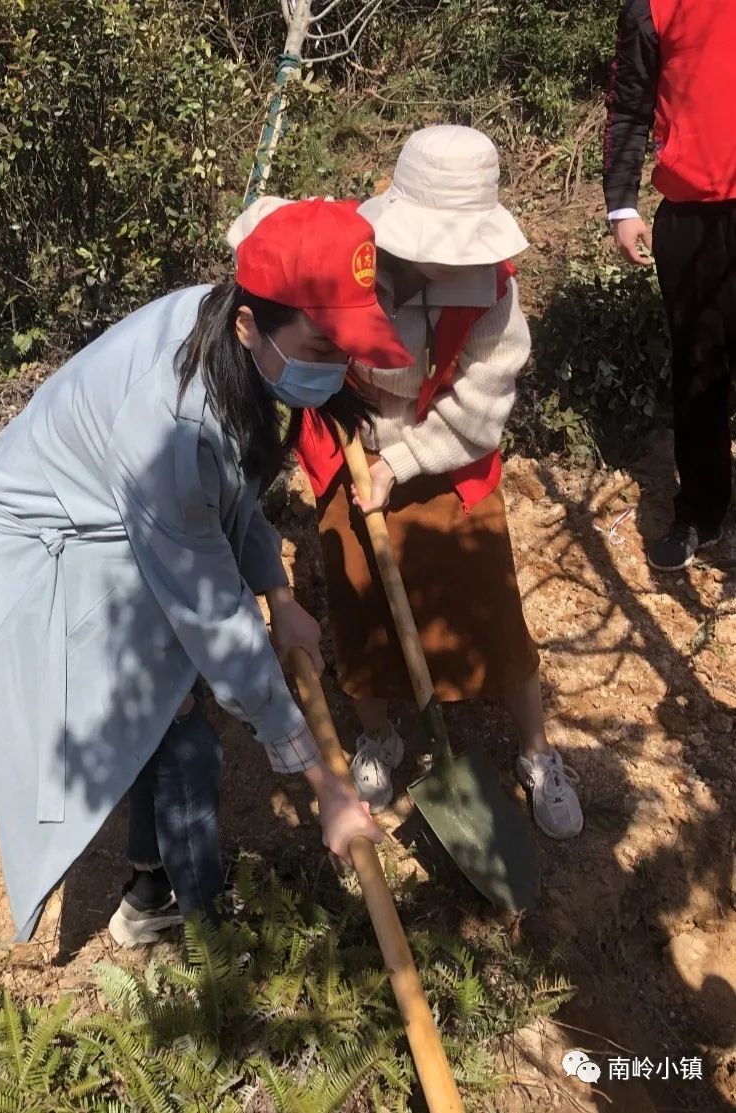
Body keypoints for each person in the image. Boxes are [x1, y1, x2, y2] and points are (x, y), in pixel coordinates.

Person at [0, 199, 399, 947]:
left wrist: (280, 593)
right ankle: (209, 936)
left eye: (347, 346)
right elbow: (211, 609)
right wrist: (325, 784)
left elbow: (230, 495)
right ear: (249, 324)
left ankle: (147, 887)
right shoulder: (168, 424)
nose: (336, 367)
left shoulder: (232, 344)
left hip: (128, 516)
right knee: (184, 726)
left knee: (171, 710)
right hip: (59, 539)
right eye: (323, 345)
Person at [233, 127, 583, 840]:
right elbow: (260, 230)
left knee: (490, 603)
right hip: (347, 444)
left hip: (446, 452)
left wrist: (403, 458)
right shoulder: (348, 250)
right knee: (361, 604)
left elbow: (481, 406)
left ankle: (537, 752)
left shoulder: (491, 292)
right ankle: (379, 734)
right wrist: (360, 440)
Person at [604, 0, 736, 571]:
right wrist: (622, 206)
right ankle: (701, 514)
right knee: (699, 369)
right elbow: (630, 107)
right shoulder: (655, 7)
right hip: (691, 216)